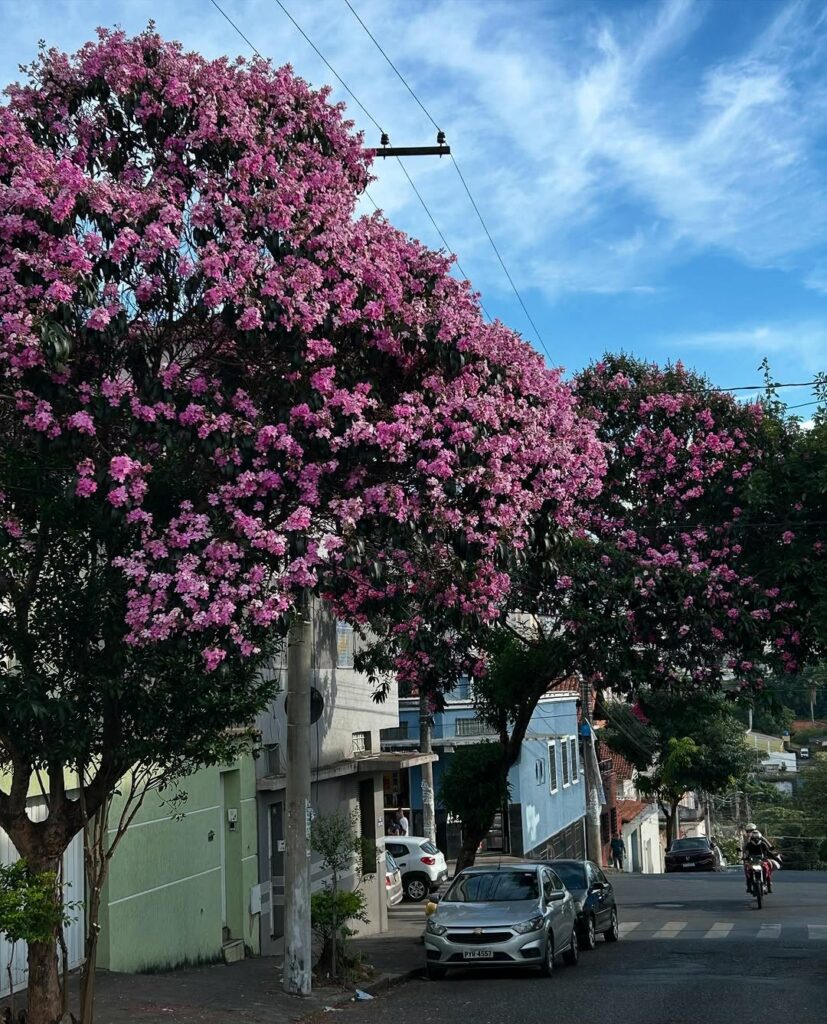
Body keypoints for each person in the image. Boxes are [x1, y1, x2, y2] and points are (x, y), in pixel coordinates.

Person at [743, 827, 776, 893]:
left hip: (761, 860)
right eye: (749, 831)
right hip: (752, 860)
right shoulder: (748, 843)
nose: (756, 840)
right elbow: (745, 851)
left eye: (757, 838)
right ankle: (749, 886)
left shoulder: (762, 843)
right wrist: (745, 857)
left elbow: (768, 850)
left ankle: (768, 885)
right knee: (747, 869)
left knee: (767, 867)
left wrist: (772, 855)